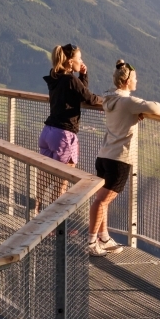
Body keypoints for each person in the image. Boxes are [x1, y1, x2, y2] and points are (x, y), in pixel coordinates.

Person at [91, 59, 160, 255]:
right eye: (135, 78)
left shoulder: (109, 100)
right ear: (127, 81)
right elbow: (158, 108)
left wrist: (135, 113)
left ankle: (103, 237)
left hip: (104, 155)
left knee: (101, 199)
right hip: (119, 158)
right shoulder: (128, 102)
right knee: (102, 201)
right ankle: (90, 243)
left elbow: (123, 115)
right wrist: (139, 109)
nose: (137, 81)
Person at [38, 44, 101, 206]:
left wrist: (83, 75)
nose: (82, 62)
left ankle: (35, 210)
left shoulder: (55, 77)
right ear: (70, 62)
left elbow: (78, 92)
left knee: (44, 177)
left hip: (48, 132)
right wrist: (108, 101)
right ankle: (55, 225)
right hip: (64, 135)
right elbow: (89, 98)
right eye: (79, 59)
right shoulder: (71, 80)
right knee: (62, 182)